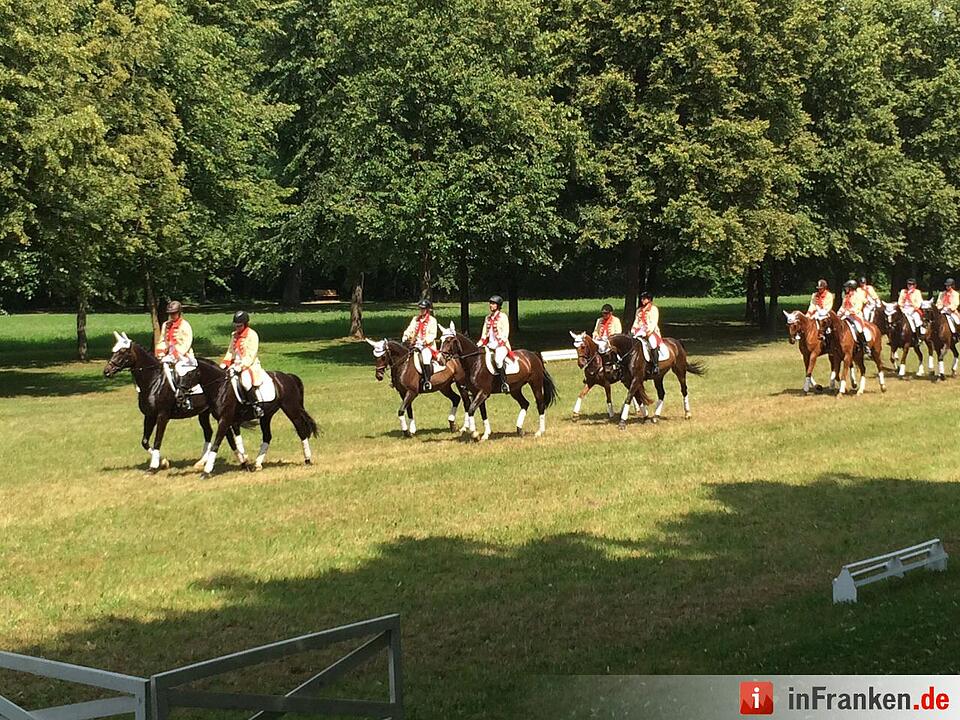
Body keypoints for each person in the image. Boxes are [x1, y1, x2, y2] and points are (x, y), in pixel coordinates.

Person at [220, 310, 265, 417]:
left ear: (245, 324)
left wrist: (241, 366)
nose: (237, 328)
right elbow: (230, 351)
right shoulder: (234, 335)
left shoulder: (252, 335)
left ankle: (256, 405)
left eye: (239, 326)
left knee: (245, 381)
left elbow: (251, 355)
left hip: (249, 365)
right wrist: (224, 363)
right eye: (236, 326)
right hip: (235, 364)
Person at [154, 300, 196, 409]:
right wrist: (161, 351)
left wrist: (177, 354)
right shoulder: (166, 325)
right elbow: (162, 340)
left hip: (184, 356)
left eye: (174, 313)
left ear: (179, 312)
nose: (172, 316)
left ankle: (184, 397)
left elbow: (187, 342)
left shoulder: (185, 325)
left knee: (180, 369)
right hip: (169, 354)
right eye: (170, 314)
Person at [402, 299, 439, 390]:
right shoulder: (415, 319)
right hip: (414, 344)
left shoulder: (432, 321)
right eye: (420, 308)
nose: (421, 310)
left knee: (425, 358)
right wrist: (405, 335)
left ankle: (427, 381)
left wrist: (423, 341)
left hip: (427, 346)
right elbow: (410, 329)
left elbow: (433, 335)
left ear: (427, 309)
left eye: (423, 309)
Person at [478, 295, 513, 393]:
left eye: (493, 304)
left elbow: (506, 333)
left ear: (498, 305)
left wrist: (499, 343)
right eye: (490, 303)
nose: (491, 305)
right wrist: (479, 343)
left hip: (501, 345)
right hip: (489, 345)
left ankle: (504, 383)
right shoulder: (487, 318)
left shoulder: (503, 317)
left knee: (498, 360)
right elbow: (484, 333)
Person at [631, 291, 662, 376]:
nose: (642, 300)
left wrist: (647, 332)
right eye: (642, 298)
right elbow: (636, 321)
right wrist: (633, 330)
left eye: (644, 298)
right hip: (639, 331)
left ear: (649, 299)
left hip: (651, 332)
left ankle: (655, 365)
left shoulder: (653, 309)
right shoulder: (639, 310)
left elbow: (653, 322)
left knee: (652, 344)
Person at [838, 280, 868, 353]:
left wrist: (850, 311)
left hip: (855, 316)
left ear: (851, 288)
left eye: (847, 287)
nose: (846, 289)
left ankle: (864, 345)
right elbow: (843, 306)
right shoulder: (846, 296)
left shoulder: (857, 296)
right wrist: (839, 312)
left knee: (859, 328)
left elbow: (858, 307)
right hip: (846, 315)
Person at [897, 278, 925, 344]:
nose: (910, 286)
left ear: (915, 285)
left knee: (917, 320)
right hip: (904, 309)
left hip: (913, 309)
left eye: (912, 284)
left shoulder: (917, 292)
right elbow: (900, 301)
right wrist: (901, 307)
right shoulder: (903, 291)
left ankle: (918, 337)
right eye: (909, 284)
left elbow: (919, 302)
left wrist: (914, 308)